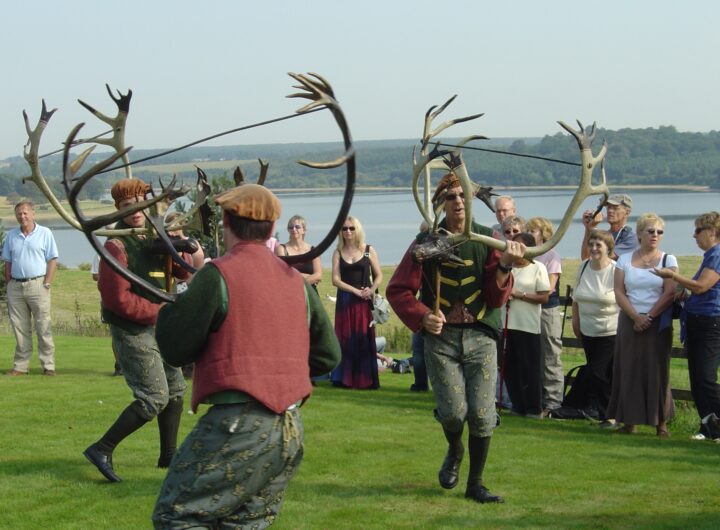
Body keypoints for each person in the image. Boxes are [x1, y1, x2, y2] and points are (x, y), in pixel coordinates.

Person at [152, 183, 340, 528]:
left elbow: (175, 349)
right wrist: (282, 371)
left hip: (237, 425)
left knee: (176, 515)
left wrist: (172, 308)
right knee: (244, 523)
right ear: (271, 228)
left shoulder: (217, 275)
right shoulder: (296, 281)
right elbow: (328, 355)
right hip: (290, 428)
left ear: (225, 222)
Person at [387, 172, 524, 504]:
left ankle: (475, 484)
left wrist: (505, 265)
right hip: (441, 340)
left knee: (482, 413)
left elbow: (494, 298)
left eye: (464, 196)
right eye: (451, 197)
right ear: (441, 203)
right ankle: (454, 448)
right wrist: (423, 316)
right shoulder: (426, 242)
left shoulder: (488, 239)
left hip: (481, 339)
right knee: (452, 412)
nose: (459, 202)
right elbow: (398, 290)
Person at [83, 178, 191, 483]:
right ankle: (102, 449)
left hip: (161, 328)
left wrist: (174, 245)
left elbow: (183, 271)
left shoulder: (153, 235)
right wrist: (161, 311)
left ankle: (168, 457)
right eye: (129, 206)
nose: (137, 212)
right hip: (133, 331)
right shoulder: (116, 246)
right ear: (118, 210)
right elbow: (118, 300)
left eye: (142, 204)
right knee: (154, 396)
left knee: (177, 392)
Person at [653, 211, 720, 440]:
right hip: (698, 321)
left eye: (698, 230)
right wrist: (685, 294)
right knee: (697, 379)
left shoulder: (717, 254)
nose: (694, 235)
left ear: (712, 232)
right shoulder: (710, 254)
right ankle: (708, 427)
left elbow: (702, 287)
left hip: (709, 323)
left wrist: (673, 277)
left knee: (705, 378)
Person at [607, 213, 676, 436]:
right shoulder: (625, 260)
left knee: (657, 370)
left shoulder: (669, 260)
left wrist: (649, 317)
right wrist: (636, 317)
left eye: (659, 232)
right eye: (651, 231)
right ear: (639, 234)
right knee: (628, 369)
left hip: (658, 323)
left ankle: (661, 423)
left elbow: (669, 293)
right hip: (629, 320)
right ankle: (629, 422)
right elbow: (619, 291)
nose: (655, 235)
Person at [566, 230, 619, 420]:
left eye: (599, 245)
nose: (594, 248)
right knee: (599, 373)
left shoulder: (616, 270)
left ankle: (608, 415)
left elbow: (622, 299)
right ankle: (600, 410)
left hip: (610, 331)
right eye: (592, 244)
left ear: (608, 248)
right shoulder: (583, 267)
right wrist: (576, 322)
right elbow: (576, 299)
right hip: (588, 330)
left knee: (598, 372)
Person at [3, 199, 58, 376]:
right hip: (16, 286)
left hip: (38, 284)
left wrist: (47, 282)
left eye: (26, 212)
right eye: (19, 213)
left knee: (43, 325)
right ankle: (20, 366)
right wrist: (9, 282)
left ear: (33, 213)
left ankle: (48, 366)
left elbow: (52, 259)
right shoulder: (11, 235)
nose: (22, 216)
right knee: (19, 327)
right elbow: (7, 261)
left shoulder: (45, 233)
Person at [330, 216, 383, 389]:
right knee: (344, 337)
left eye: (351, 228)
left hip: (364, 301)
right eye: (344, 229)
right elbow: (335, 280)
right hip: (345, 299)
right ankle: (344, 379)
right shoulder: (337, 252)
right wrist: (354, 291)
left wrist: (372, 289)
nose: (348, 232)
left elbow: (379, 275)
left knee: (363, 338)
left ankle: (364, 379)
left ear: (357, 229)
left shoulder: (368, 250)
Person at [502, 232, 550, 418]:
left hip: (528, 325)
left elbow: (544, 297)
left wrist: (519, 295)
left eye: (519, 246)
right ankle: (517, 405)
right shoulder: (507, 268)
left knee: (529, 367)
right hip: (507, 324)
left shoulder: (538, 267)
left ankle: (533, 408)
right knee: (509, 367)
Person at [527, 217, 564, 414]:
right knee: (532, 355)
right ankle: (536, 397)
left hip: (547, 310)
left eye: (533, 231)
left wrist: (523, 293)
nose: (529, 233)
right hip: (528, 311)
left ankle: (553, 402)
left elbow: (548, 288)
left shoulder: (551, 256)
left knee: (550, 355)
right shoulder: (525, 255)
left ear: (544, 234)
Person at [91, 253, 122, 376]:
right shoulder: (100, 253)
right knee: (115, 333)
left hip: (126, 298)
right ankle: (119, 364)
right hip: (109, 299)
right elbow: (94, 275)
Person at [581, 193, 637, 260]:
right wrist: (588, 228)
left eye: (615, 208)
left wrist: (593, 228)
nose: (610, 211)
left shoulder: (631, 238)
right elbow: (586, 259)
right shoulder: (605, 235)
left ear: (627, 212)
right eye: (609, 207)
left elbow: (604, 258)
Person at [275, 214, 322, 290]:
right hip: (290, 292)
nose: (294, 229)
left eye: (297, 227)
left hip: (310, 293)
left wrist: (296, 281)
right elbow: (283, 274)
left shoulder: (313, 250)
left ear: (304, 230)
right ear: (288, 230)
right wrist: (307, 276)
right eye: (291, 227)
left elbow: (318, 276)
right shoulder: (281, 249)